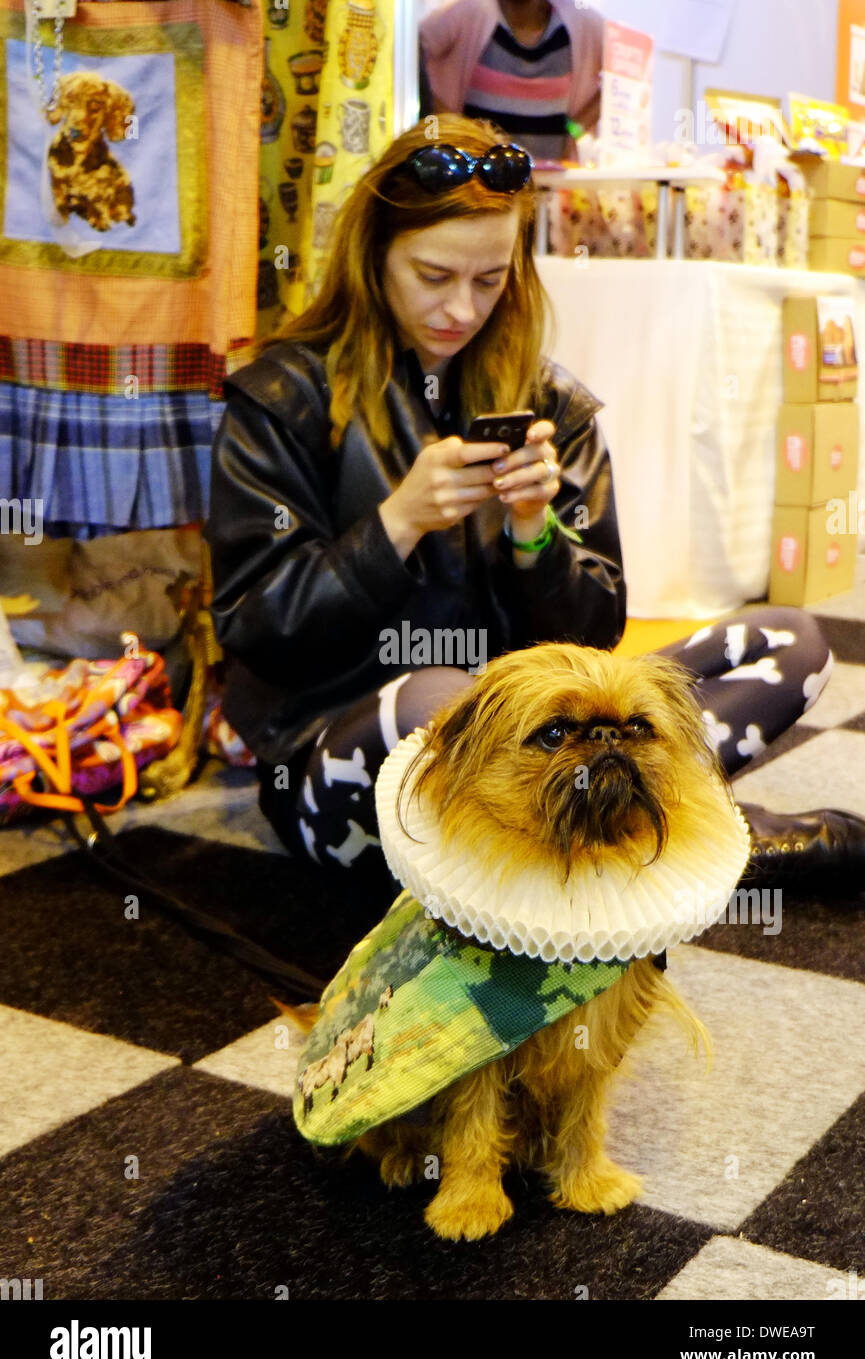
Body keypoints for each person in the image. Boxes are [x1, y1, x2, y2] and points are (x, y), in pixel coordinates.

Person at [206, 114, 865, 912]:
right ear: (373, 252)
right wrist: (395, 527)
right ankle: (686, 847)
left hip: (540, 747)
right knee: (435, 699)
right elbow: (254, 628)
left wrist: (534, 534)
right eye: (433, 274)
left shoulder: (549, 401)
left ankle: (589, 849)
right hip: (343, 765)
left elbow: (595, 644)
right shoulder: (282, 398)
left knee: (789, 640)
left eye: (489, 281)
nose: (460, 308)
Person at [419, 0, 604, 161]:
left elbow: (624, 66)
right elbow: (411, 50)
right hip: (478, 184)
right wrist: (455, 126)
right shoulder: (470, 9)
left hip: (550, 184)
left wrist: (576, 130)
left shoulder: (578, 19)